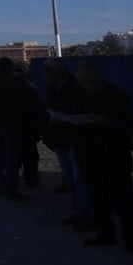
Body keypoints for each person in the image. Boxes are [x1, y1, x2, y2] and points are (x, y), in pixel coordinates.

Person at [74, 62, 133, 253]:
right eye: (82, 81)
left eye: (88, 80)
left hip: (114, 153)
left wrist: (108, 122)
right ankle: (104, 231)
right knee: (97, 197)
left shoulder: (117, 97)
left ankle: (130, 236)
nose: (85, 84)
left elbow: (131, 123)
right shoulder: (81, 96)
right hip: (88, 153)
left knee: (122, 198)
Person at [0, 58, 46, 200]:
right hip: (14, 124)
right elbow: (30, 102)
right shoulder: (17, 82)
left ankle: (0, 185)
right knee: (13, 156)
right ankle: (12, 187)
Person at [44, 59, 91, 229]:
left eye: (49, 70)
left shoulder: (75, 88)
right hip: (59, 136)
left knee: (80, 177)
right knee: (70, 175)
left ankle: (85, 213)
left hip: (74, 136)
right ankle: (78, 210)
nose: (46, 74)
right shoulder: (51, 88)